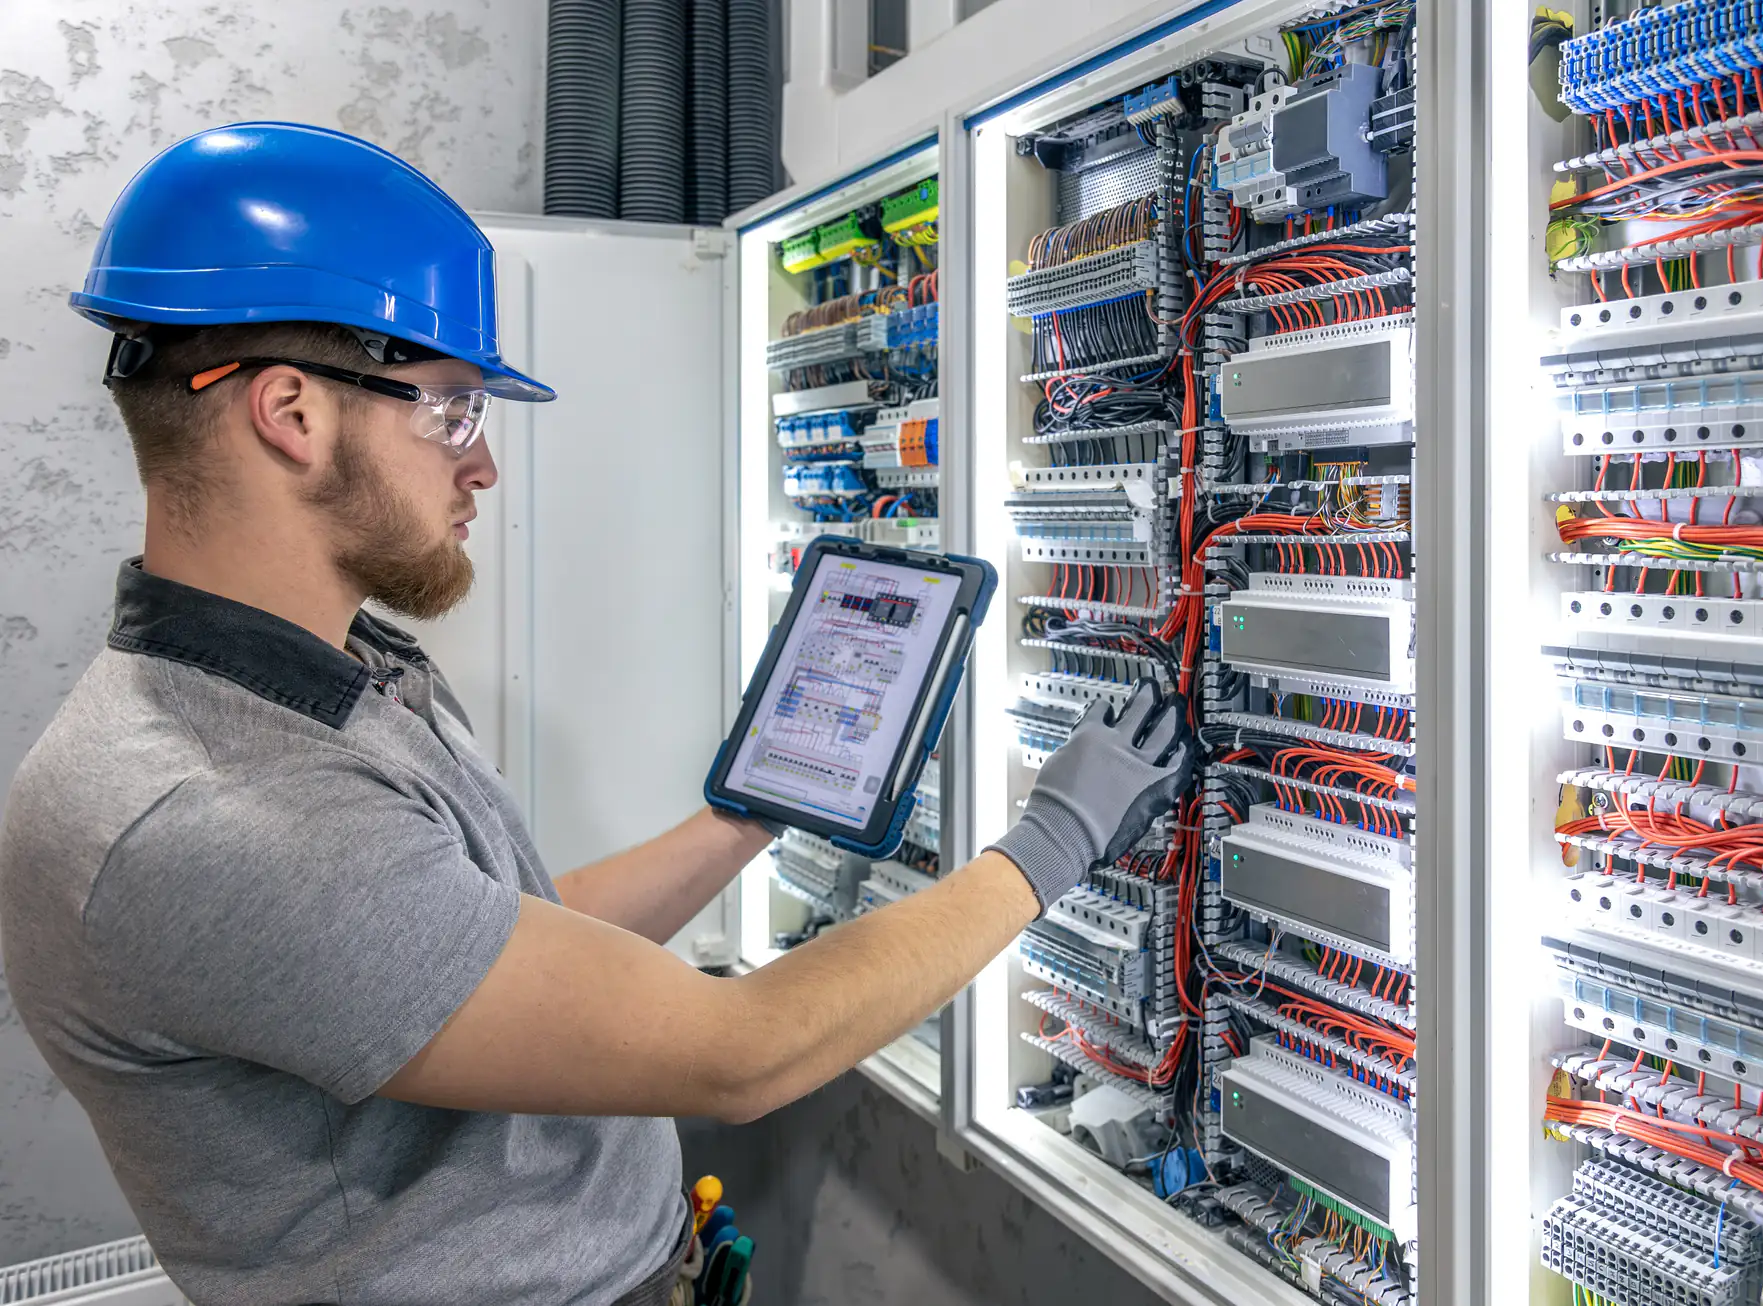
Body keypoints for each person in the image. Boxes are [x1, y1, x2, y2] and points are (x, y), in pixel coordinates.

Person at [0, 122, 1191, 1306]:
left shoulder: (323, 678)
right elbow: (742, 1053)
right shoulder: (209, 813)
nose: (484, 467)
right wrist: (1048, 847)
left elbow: (494, 942)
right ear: (293, 414)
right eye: (453, 409)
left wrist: (751, 814)